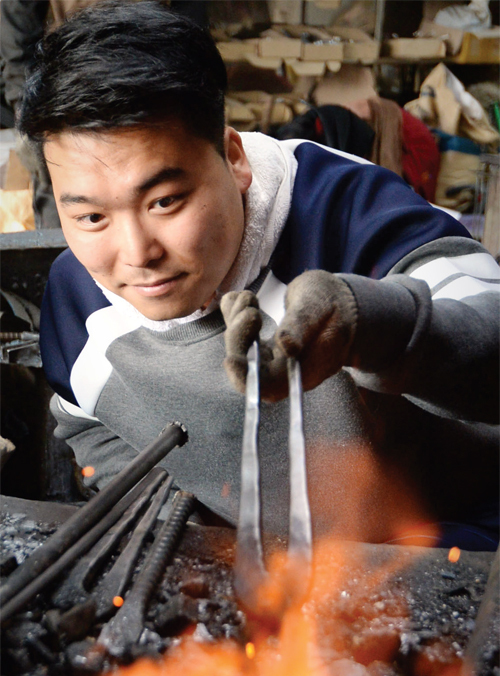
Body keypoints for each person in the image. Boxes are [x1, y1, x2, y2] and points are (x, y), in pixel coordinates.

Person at [18, 1, 499, 547]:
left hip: (452, 548)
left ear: (234, 158)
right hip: (263, 580)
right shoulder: (78, 302)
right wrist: (192, 529)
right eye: (91, 217)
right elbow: (89, 428)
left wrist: (376, 330)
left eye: (166, 201)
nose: (135, 253)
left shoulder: (350, 214)